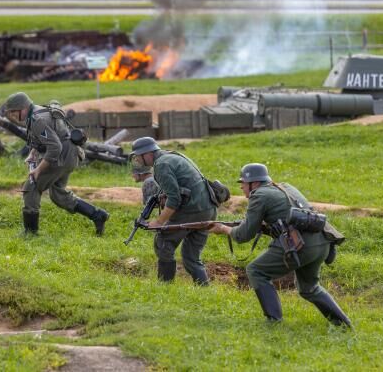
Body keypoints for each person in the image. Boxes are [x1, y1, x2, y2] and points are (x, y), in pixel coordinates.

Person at [209, 163, 351, 327]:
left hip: (300, 245)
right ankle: (343, 325)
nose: (241, 187)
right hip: (322, 243)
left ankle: (274, 322)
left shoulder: (259, 195)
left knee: (256, 270)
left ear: (253, 183)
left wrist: (224, 229)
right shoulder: (285, 187)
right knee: (309, 288)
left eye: (243, 183)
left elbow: (243, 235)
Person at [4, 92, 109, 236]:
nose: (14, 116)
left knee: (31, 187)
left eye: (14, 112)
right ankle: (97, 215)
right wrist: (33, 153)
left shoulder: (36, 119)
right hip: (70, 154)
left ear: (23, 108)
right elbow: (44, 138)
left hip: (62, 156)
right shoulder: (37, 111)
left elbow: (55, 147)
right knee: (58, 194)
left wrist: (38, 170)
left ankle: (30, 232)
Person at [131, 137, 217, 285]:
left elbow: (174, 200)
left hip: (191, 211)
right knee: (191, 257)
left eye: (139, 156)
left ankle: (165, 287)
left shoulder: (162, 165)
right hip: (209, 210)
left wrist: (158, 222)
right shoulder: (173, 155)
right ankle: (204, 288)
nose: (138, 160)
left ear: (148, 154)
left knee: (163, 241)